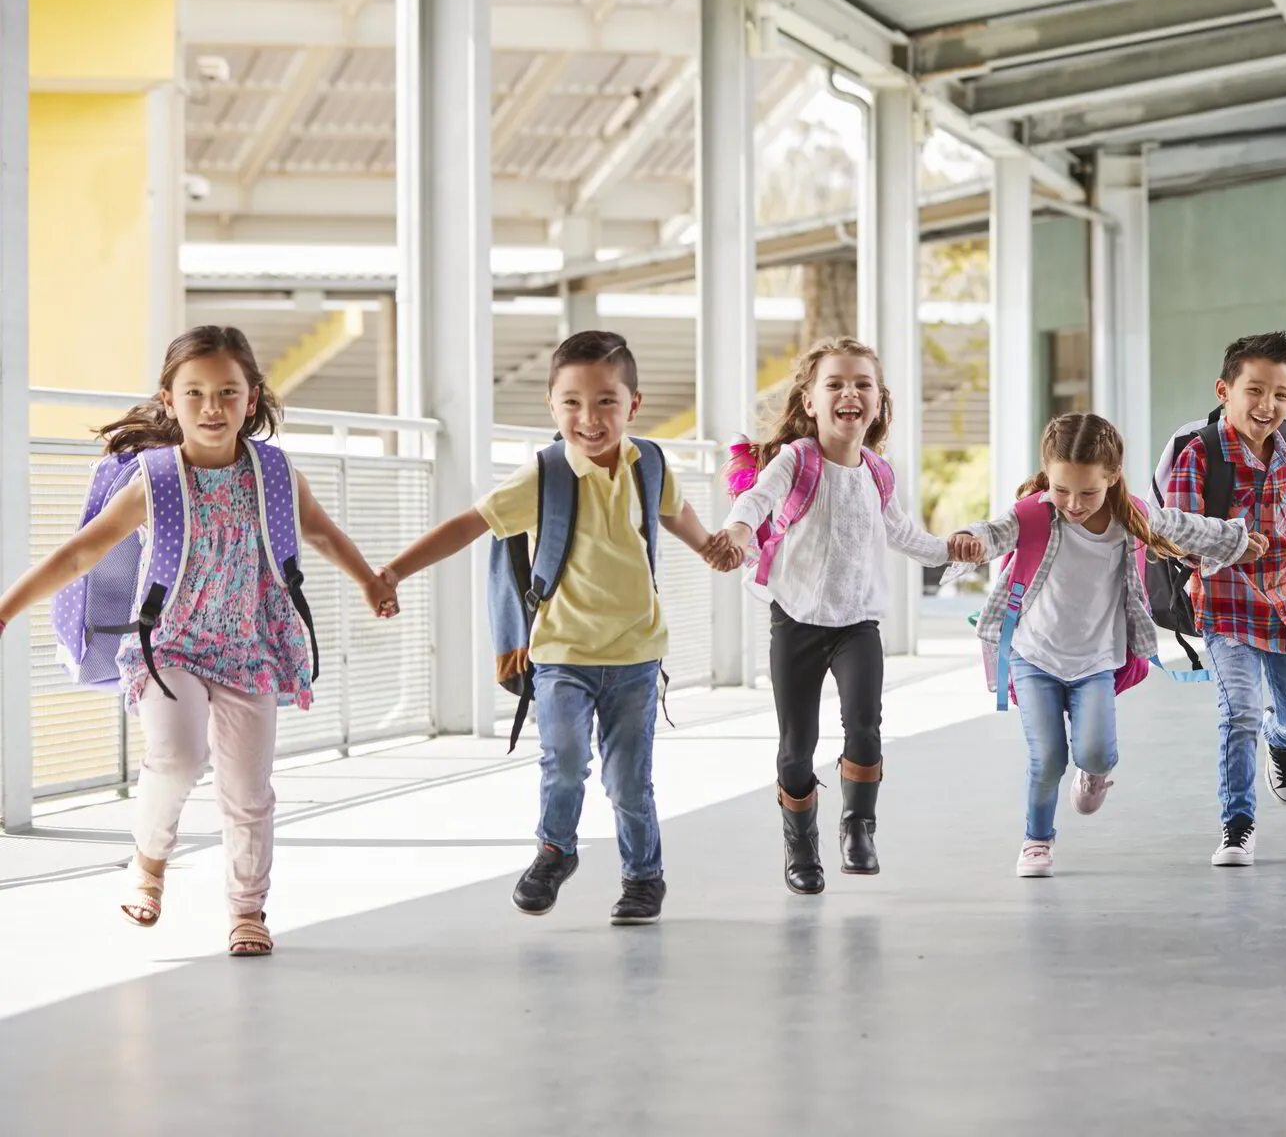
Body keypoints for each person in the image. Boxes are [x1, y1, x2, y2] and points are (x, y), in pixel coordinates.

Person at [0, 325, 397, 955]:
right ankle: (149, 861)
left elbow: (318, 531)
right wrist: (6, 609)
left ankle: (247, 911)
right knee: (179, 757)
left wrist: (370, 580)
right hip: (168, 648)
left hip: (250, 649)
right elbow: (79, 555)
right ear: (168, 399)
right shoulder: (154, 478)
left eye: (227, 392)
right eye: (195, 393)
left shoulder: (272, 471)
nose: (212, 407)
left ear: (252, 397)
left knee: (248, 790)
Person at [379, 331, 729, 925]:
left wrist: (708, 548)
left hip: (637, 656)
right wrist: (392, 571)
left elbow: (675, 512)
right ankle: (555, 850)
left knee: (628, 781)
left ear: (633, 405)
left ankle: (643, 877)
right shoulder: (541, 476)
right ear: (550, 404)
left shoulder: (651, 463)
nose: (588, 418)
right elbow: (468, 525)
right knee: (563, 759)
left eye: (605, 402)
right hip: (562, 653)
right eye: (571, 402)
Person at [955, 413, 1264, 877]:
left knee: (1096, 751)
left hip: (1095, 660)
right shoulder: (1033, 514)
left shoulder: (1130, 517)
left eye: (1087, 492)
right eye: (1061, 490)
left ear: (1112, 476)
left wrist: (1237, 541)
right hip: (1033, 654)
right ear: (1047, 473)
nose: (1073, 504)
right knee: (1047, 758)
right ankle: (1037, 840)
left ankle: (1095, 771)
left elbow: (1185, 528)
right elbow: (993, 532)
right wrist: (969, 541)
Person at [718, 339, 969, 894]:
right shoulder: (797, 459)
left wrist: (954, 548)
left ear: (879, 402)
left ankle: (858, 826)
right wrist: (738, 530)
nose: (849, 393)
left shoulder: (880, 472)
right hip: (798, 621)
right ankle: (800, 846)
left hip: (857, 624)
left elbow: (904, 535)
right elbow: (758, 500)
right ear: (809, 401)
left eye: (862, 384)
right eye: (834, 384)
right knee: (796, 746)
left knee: (865, 726)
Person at [1164, 332, 1286, 867]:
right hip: (1225, 603)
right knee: (1237, 711)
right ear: (1225, 390)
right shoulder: (1199, 455)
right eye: (1255, 391)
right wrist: (1231, 546)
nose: (1268, 406)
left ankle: (1282, 740)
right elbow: (1175, 532)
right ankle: (1237, 825)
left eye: (1281, 394)